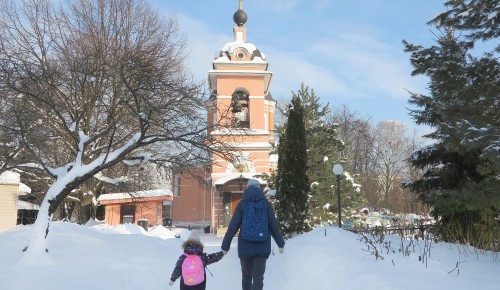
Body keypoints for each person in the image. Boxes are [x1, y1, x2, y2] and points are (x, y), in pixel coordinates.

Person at [221, 179, 285, 290]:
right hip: (262, 247)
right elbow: (273, 226)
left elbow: (232, 227)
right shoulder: (266, 205)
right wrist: (280, 243)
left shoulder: (242, 204)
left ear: (247, 188)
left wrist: (225, 246)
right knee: (258, 278)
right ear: (259, 188)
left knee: (246, 277)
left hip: (245, 248)